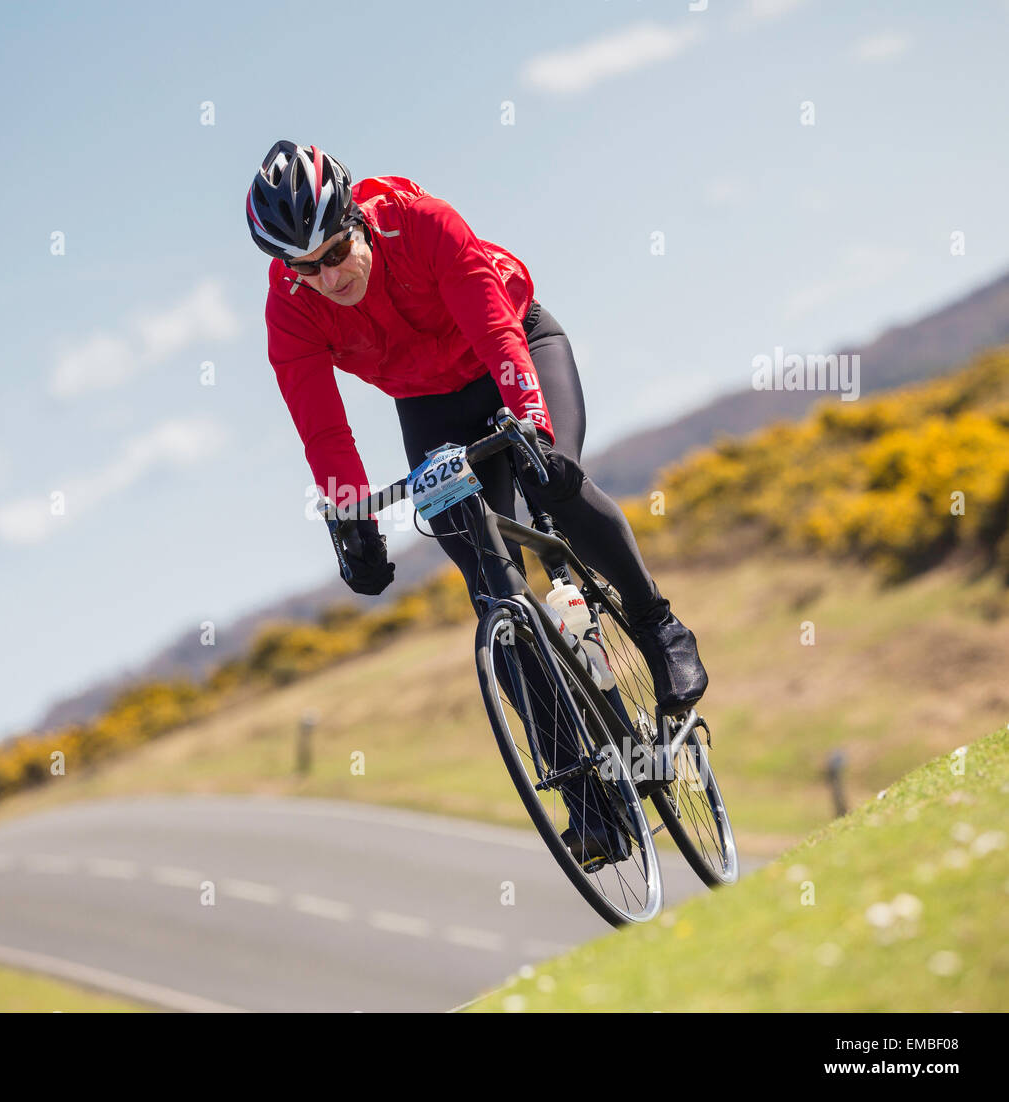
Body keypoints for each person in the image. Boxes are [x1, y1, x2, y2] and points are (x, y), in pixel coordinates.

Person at [247, 140, 707, 864]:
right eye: (308, 267)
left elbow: (496, 334)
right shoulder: (292, 309)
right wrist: (351, 522)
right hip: (430, 407)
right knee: (497, 599)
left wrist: (534, 429)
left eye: (337, 250)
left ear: (356, 221)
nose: (330, 275)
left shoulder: (420, 223)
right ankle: (590, 806)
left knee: (554, 481)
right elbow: (324, 431)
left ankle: (659, 627)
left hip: (514, 347)